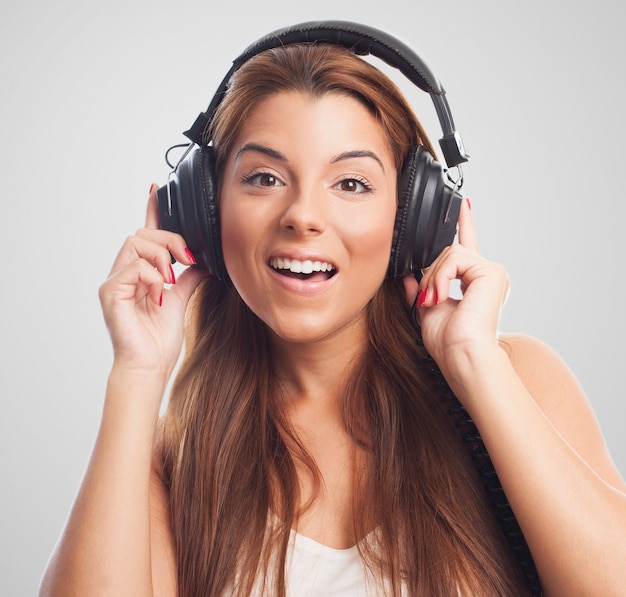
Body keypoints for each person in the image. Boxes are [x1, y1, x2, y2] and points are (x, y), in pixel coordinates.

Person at [40, 28, 626, 597]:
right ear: (203, 210)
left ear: (413, 220)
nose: (303, 216)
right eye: (265, 177)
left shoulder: (517, 379)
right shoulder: (172, 466)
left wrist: (474, 364)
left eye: (350, 183)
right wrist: (136, 374)